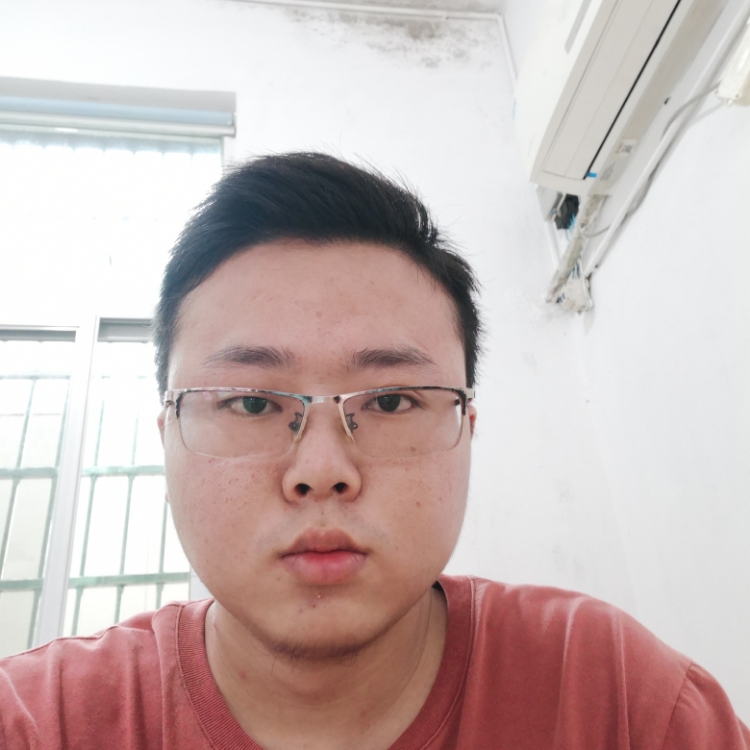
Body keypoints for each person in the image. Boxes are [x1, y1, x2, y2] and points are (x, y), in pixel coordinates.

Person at [0, 152, 747, 750]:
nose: (322, 471)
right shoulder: (39, 721)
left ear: (468, 429)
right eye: (253, 402)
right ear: (167, 437)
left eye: (390, 401)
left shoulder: (618, 700)